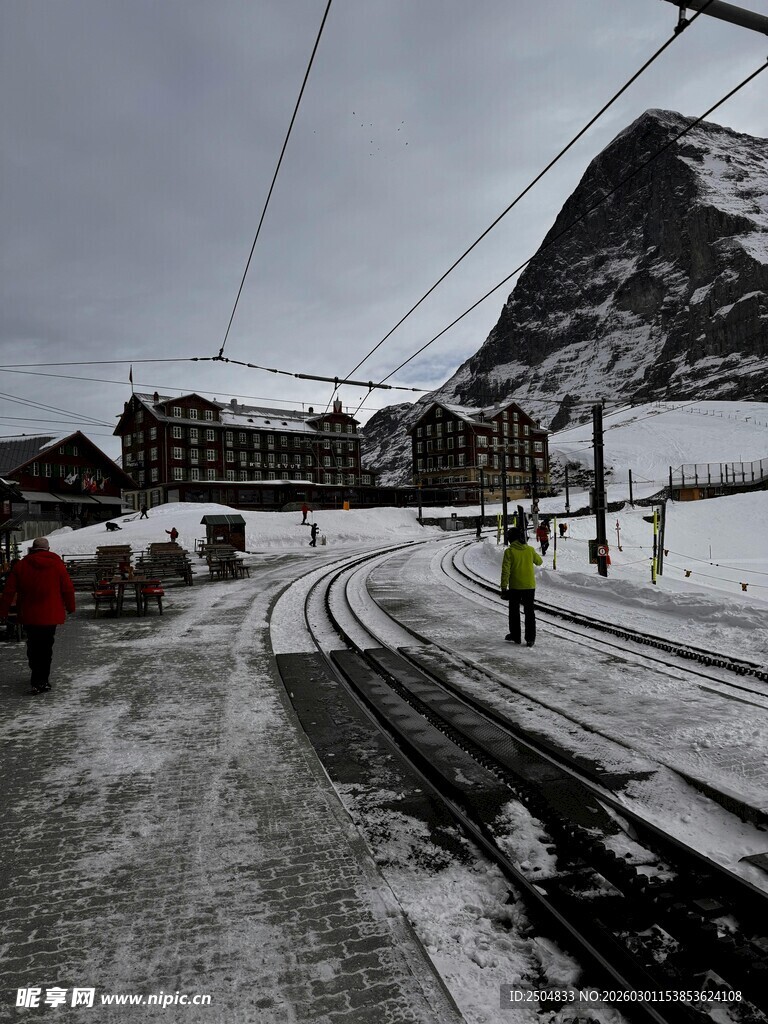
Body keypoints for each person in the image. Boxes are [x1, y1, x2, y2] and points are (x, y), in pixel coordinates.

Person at [0, 537, 76, 694]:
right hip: (50, 614)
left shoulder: (21, 565)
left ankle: (36, 678)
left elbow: (8, 590)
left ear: (33, 549)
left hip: (29, 614)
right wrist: (70, 607)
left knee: (34, 645)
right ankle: (43, 680)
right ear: (48, 549)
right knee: (46, 647)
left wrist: (2, 611)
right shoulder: (57, 564)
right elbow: (67, 588)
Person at [500, 526, 543, 647]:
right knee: (529, 612)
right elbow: (539, 561)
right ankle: (530, 639)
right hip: (529, 586)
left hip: (515, 587)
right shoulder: (529, 549)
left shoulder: (509, 552)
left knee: (514, 611)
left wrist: (504, 587)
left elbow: (505, 570)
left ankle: (516, 635)